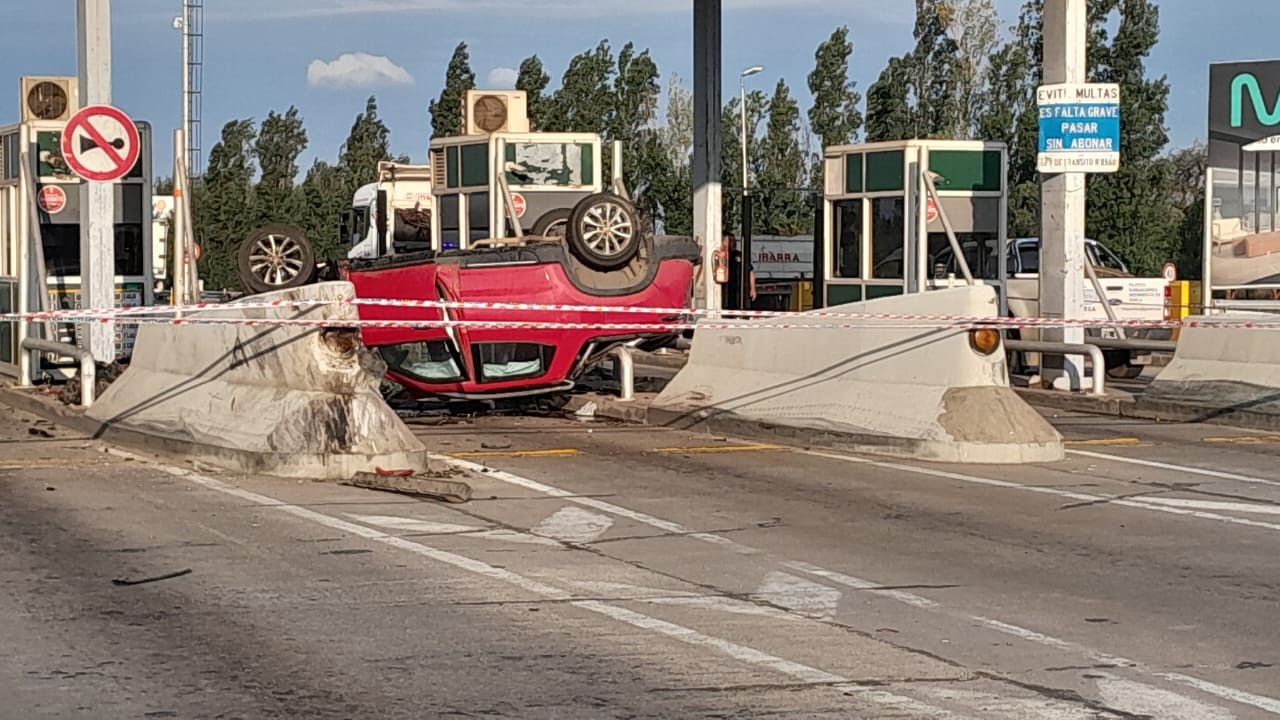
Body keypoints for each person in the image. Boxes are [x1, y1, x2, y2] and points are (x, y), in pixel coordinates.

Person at [720, 233, 756, 311]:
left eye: (735, 241)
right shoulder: (720, 256)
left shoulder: (740, 255)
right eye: (731, 241)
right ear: (724, 243)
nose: (734, 243)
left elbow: (750, 271)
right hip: (724, 290)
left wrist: (753, 289)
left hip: (738, 289)